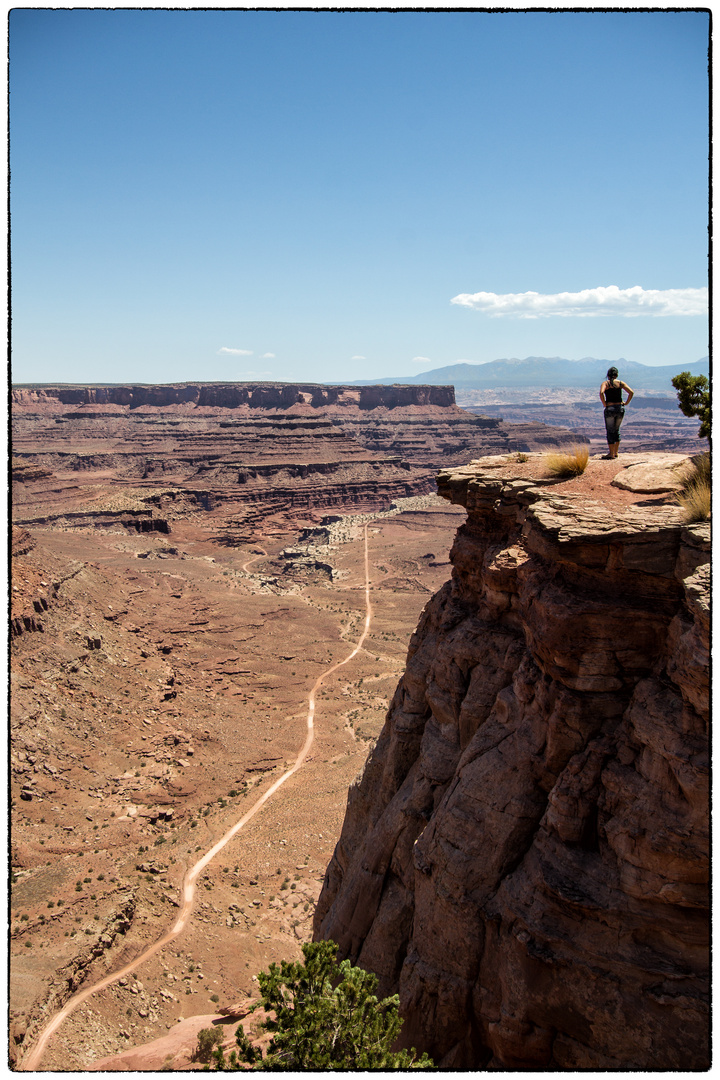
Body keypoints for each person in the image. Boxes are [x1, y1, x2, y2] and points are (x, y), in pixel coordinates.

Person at [599, 366, 633, 459]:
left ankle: (611, 453)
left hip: (610, 408)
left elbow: (601, 393)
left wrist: (604, 403)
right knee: (616, 430)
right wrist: (626, 403)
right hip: (619, 408)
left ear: (608, 375)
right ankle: (616, 452)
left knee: (610, 431)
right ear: (617, 375)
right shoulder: (621, 383)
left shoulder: (605, 383)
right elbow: (631, 392)